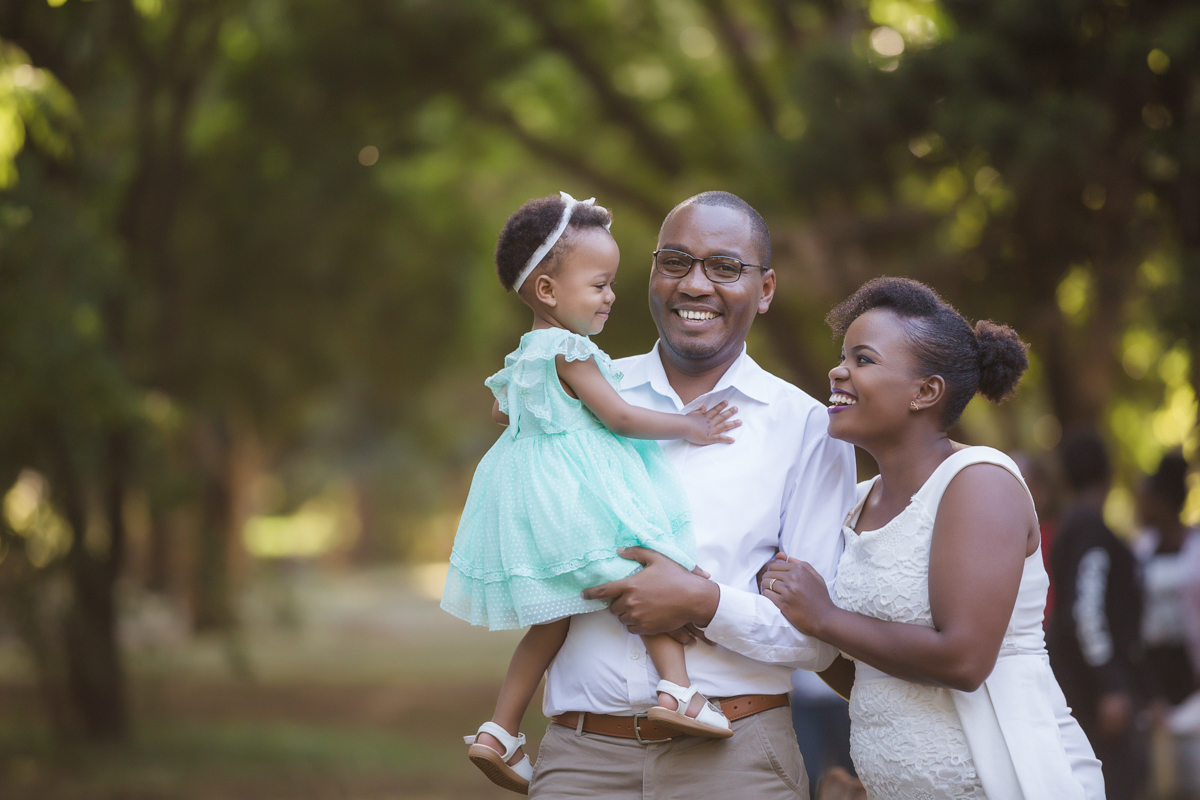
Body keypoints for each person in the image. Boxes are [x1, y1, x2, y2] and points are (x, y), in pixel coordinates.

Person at [528, 191, 857, 799]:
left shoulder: (809, 429)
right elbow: (532, 544)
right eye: (675, 261)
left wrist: (700, 601)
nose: (695, 284)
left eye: (725, 267)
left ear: (766, 289)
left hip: (736, 759)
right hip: (581, 760)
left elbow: (815, 638)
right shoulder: (579, 392)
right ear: (652, 274)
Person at [443, 192, 743, 793]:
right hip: (578, 498)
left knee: (551, 622)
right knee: (647, 570)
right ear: (550, 293)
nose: (610, 297)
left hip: (534, 503)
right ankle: (679, 691)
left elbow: (513, 419)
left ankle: (500, 730)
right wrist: (691, 425)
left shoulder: (524, 354)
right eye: (600, 285)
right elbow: (621, 418)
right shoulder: (570, 350)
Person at [760, 277, 1105, 799]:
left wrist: (825, 617)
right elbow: (872, 674)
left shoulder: (980, 481)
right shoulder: (856, 502)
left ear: (925, 392)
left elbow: (963, 660)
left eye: (864, 359)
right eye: (842, 355)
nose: (838, 370)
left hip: (1007, 780)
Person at [1048, 431, 1147, 799]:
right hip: (1093, 693)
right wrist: (1111, 686)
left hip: (1079, 682)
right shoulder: (1090, 529)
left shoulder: (1070, 526)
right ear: (1108, 473)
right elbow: (1086, 611)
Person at [1133, 452, 1199, 710]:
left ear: (1165, 502)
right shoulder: (1141, 549)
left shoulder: (1195, 548)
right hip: (1157, 663)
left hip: (1190, 659)